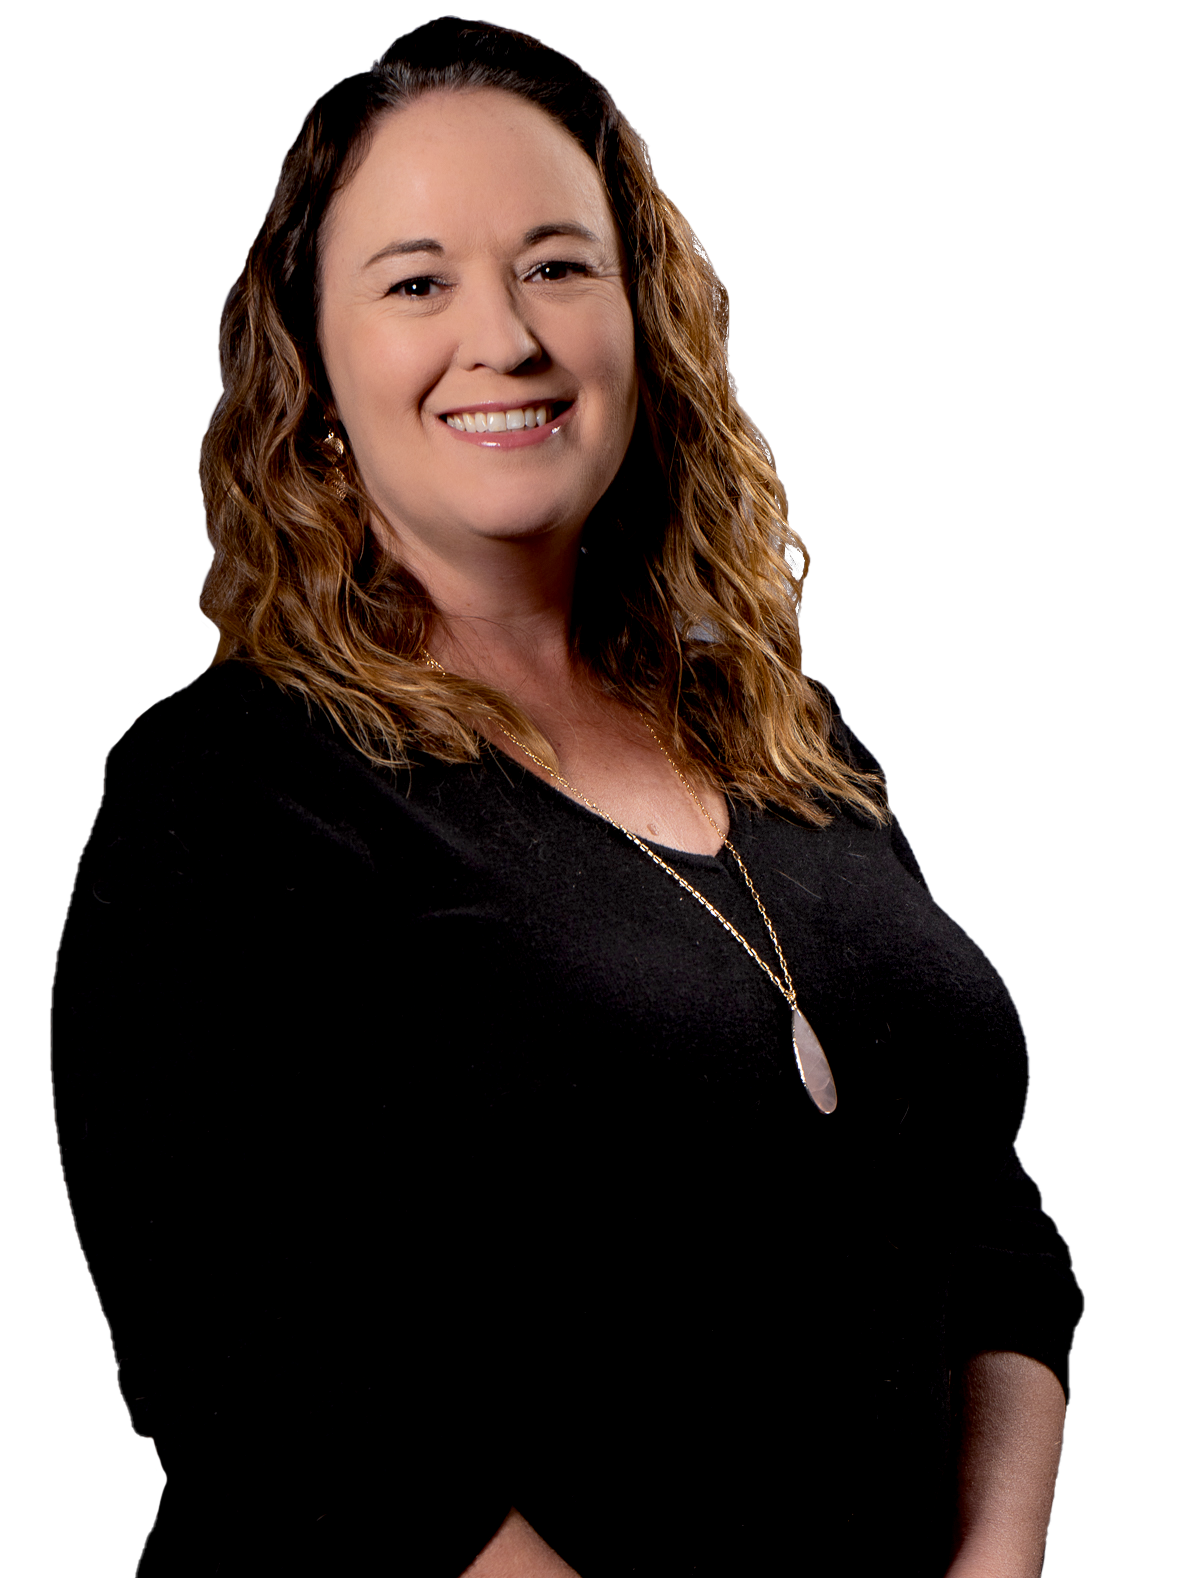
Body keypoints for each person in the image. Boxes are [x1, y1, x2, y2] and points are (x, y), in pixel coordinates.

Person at [52, 18, 1082, 1577]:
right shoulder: (226, 801)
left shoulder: (780, 729)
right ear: (317, 373)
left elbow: (983, 1224)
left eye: (554, 264)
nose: (506, 337)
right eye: (416, 283)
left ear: (636, 318)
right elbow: (272, 1394)